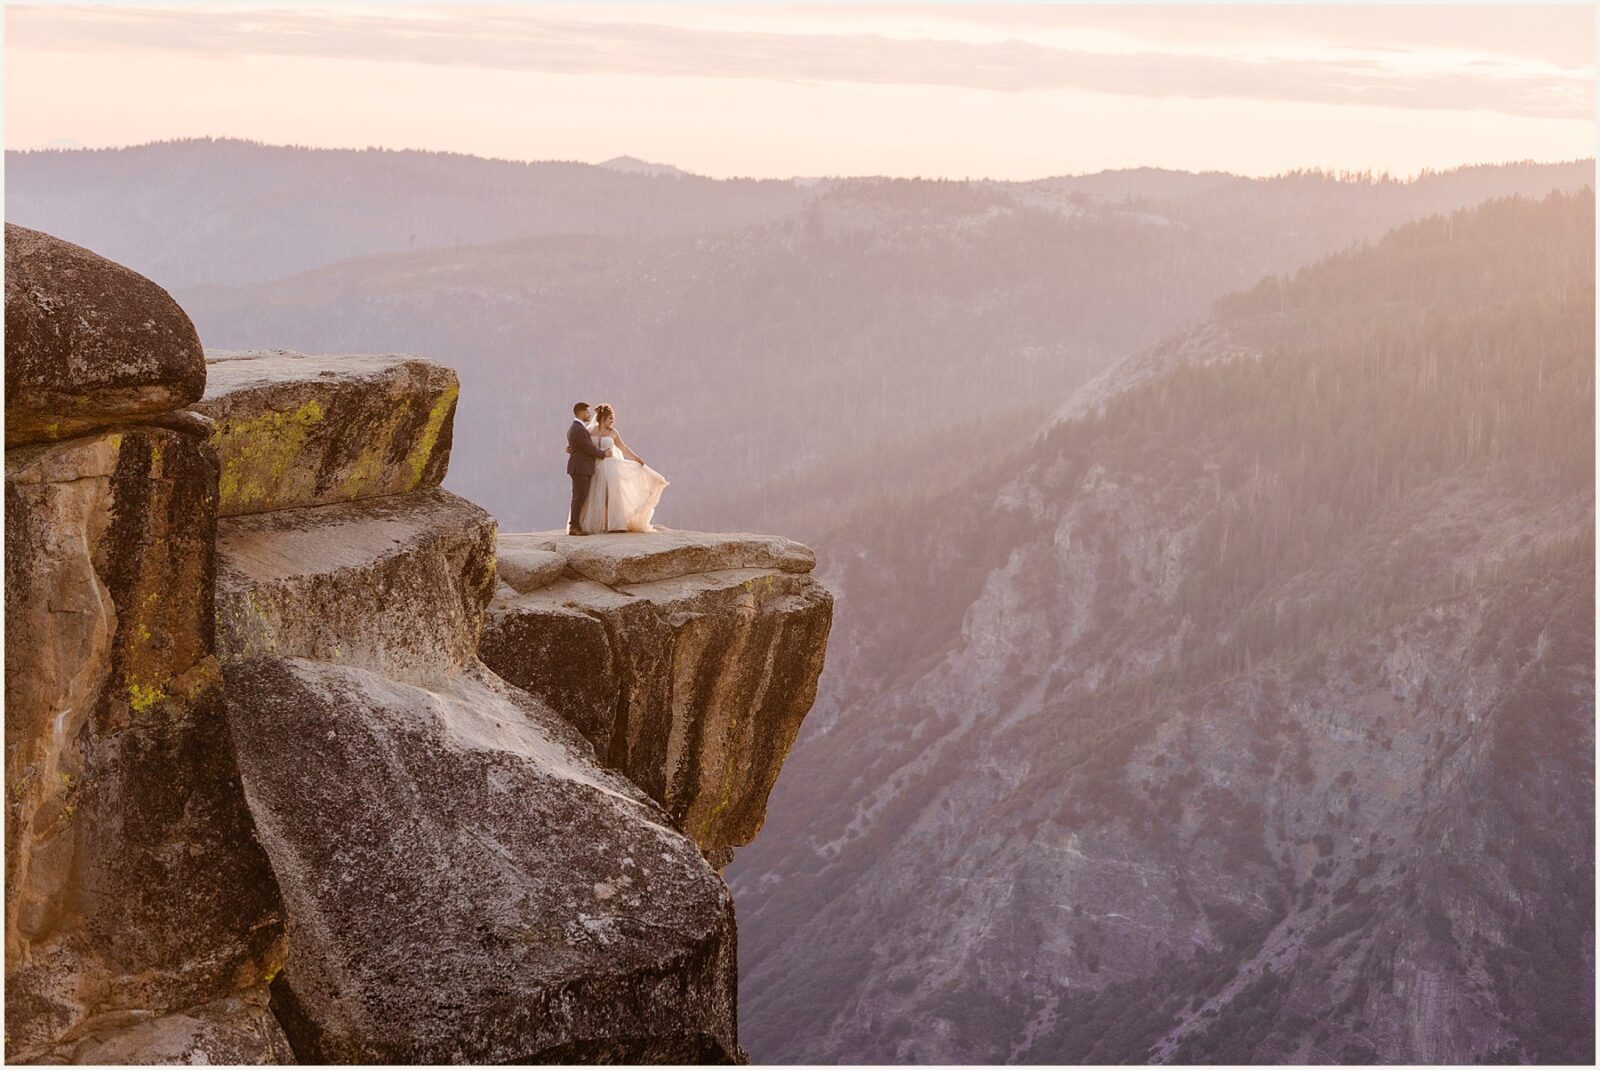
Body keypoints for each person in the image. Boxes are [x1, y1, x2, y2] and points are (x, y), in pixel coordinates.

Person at [579, 403, 669, 533]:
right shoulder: (590, 430)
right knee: (595, 495)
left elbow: (623, 448)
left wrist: (636, 458)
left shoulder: (613, 433)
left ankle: (613, 524)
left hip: (610, 467)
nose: (612, 421)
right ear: (603, 417)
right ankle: (598, 524)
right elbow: (583, 445)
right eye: (610, 418)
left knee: (612, 495)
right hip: (594, 466)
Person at [566, 402, 609, 536]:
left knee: (578, 496)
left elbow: (579, 447)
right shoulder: (578, 429)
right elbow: (588, 447)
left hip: (579, 467)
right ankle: (574, 526)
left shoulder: (576, 428)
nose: (590, 415)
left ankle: (575, 525)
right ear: (582, 412)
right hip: (580, 468)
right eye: (588, 413)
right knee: (580, 496)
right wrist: (603, 454)